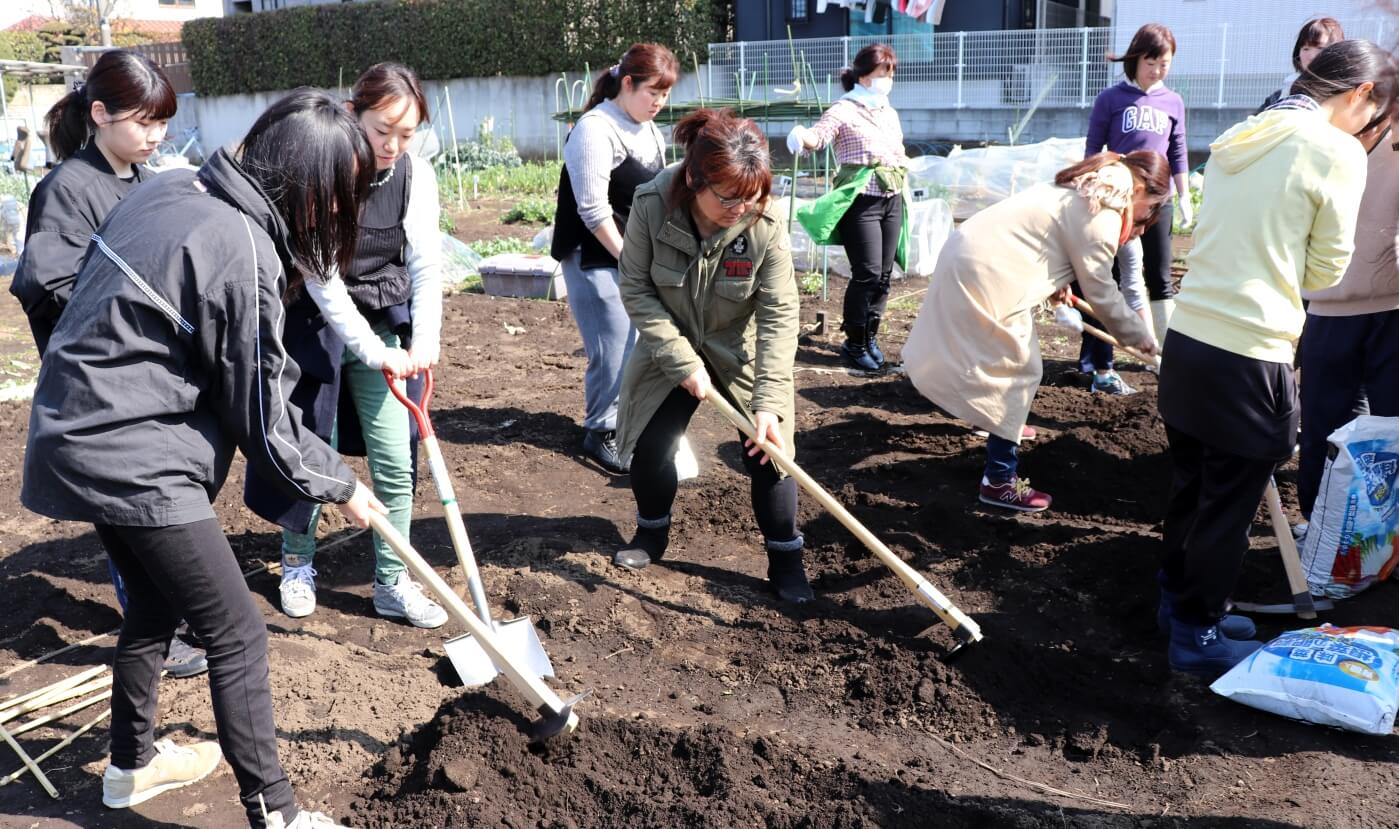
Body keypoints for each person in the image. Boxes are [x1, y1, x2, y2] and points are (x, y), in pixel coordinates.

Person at [21, 89, 384, 829]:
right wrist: (341, 483)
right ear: (310, 186)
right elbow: (260, 413)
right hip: (132, 449)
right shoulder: (241, 248)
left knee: (154, 606)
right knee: (237, 631)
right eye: (342, 195)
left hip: (78, 427)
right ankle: (276, 813)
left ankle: (131, 766)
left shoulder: (176, 185)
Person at [1157, 40, 1393, 677]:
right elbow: (1324, 271)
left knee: (1193, 486)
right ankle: (1196, 635)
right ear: (1361, 94)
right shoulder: (1337, 150)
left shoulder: (1244, 130)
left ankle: (1178, 604)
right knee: (1229, 505)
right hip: (1250, 349)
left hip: (1188, 339)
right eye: (1372, 121)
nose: (1367, 133)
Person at [8, 49, 207, 678]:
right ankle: (154, 629)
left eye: (162, 122)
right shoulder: (65, 190)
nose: (157, 136)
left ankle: (172, 615)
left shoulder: (148, 184)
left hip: (149, 376)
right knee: (125, 515)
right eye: (144, 122)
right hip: (98, 386)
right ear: (99, 114)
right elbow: (53, 289)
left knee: (157, 503)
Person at [242, 63, 447, 628]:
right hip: (314, 323)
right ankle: (297, 562)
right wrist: (377, 353)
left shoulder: (415, 176)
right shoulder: (327, 167)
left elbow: (427, 262)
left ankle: (393, 579)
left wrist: (422, 338)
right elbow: (325, 280)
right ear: (354, 113)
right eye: (383, 130)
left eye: (407, 135)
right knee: (311, 441)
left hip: (381, 319)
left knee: (394, 455)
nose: (393, 145)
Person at [611, 108, 811, 603]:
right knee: (653, 443)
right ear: (695, 180)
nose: (740, 208)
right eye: (728, 198)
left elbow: (781, 313)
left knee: (771, 452)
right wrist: (681, 361)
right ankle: (652, 533)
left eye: (752, 197)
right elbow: (635, 288)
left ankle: (786, 558)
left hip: (733, 347)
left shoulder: (763, 218)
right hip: (667, 344)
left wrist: (768, 403)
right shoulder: (653, 202)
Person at [901, 152, 1166, 513]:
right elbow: (1101, 288)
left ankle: (1002, 422)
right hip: (987, 268)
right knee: (1017, 368)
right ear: (1141, 188)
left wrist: (1055, 283)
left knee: (996, 357)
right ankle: (999, 482)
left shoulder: (1087, 185)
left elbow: (1043, 237)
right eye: (1149, 209)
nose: (1143, 220)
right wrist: (1138, 335)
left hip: (973, 251)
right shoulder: (1104, 206)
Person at [551, 43, 679, 473]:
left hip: (632, 255)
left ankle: (630, 421)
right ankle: (601, 430)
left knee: (638, 342)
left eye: (665, 94)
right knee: (612, 343)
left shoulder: (650, 130)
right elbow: (592, 209)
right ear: (627, 84)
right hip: (593, 254)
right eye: (653, 92)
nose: (660, 103)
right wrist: (629, 259)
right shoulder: (595, 128)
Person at [1297, 114, 1397, 524]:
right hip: (1328, 304)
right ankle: (1321, 527)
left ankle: (1386, 535)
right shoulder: (1321, 137)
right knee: (1323, 423)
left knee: (1392, 425)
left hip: (1393, 308)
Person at [1082, 23, 1191, 392]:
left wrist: (1184, 195)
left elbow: (1178, 152)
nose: (1158, 70)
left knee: (1159, 280)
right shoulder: (1111, 99)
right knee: (1108, 280)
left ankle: (1167, 358)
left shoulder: (1172, 101)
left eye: (1165, 63)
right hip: (1119, 201)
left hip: (1160, 202)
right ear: (1136, 58)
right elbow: (1093, 150)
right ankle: (1102, 366)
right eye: (1152, 61)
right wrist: (1094, 192)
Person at [788, 43, 910, 373]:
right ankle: (854, 344)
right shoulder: (844, 109)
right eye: (885, 72)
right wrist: (803, 137)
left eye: (892, 72)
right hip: (861, 202)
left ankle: (870, 337)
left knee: (884, 276)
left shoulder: (888, 111)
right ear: (866, 75)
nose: (890, 78)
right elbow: (819, 135)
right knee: (867, 272)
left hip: (892, 198)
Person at [1258, 17, 1345, 113]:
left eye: (1321, 48)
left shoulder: (1347, 94)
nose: (1311, 56)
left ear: (1337, 52)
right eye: (1306, 49)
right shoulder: (1280, 95)